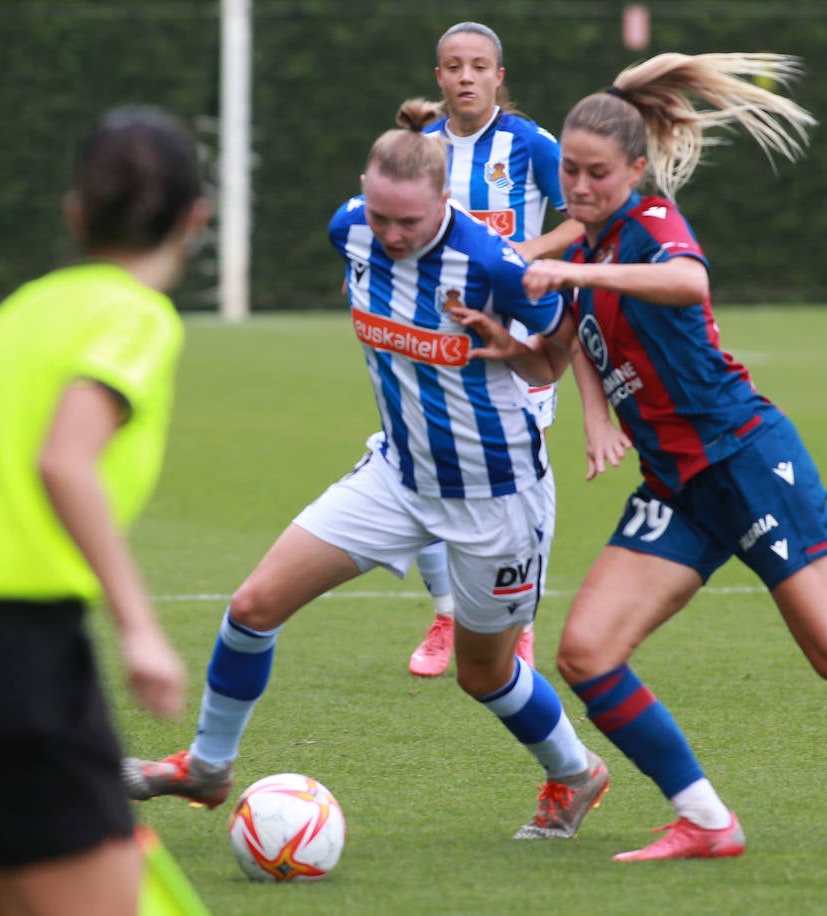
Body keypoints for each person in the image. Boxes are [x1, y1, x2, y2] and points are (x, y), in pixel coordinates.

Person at [463, 51, 827, 861]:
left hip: (746, 460)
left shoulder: (647, 228)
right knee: (587, 653)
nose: (578, 187)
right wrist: (504, 343)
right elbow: (551, 362)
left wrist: (567, 261)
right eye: (569, 171)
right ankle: (708, 820)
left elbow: (690, 284)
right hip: (676, 484)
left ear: (636, 169)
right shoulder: (587, 255)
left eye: (597, 173)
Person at [122, 101, 611, 842]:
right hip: (396, 476)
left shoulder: (492, 267)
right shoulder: (347, 228)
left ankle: (578, 774)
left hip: (496, 498)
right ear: (363, 193)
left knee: (483, 676)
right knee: (253, 607)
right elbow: (371, 259)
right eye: (380, 216)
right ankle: (207, 768)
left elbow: (553, 357)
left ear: (444, 201)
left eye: (408, 223)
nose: (390, 235)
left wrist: (503, 345)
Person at [0, 105, 207, 914]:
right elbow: (66, 459)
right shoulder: (136, 315)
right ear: (194, 221)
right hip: (18, 666)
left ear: (75, 212)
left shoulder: (9, 319)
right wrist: (139, 626)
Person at [405, 20, 584, 678]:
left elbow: (580, 217)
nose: (466, 77)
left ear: (498, 76)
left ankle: (521, 622)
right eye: (453, 66)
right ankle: (448, 614)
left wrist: (522, 254)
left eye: (479, 66)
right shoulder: (420, 148)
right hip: (438, 336)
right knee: (423, 465)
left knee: (521, 475)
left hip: (520, 338)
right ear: (439, 78)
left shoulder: (532, 144)